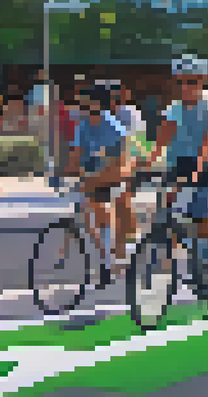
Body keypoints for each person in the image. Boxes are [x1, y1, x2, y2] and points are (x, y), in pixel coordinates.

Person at [145, 55, 208, 288]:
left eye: (192, 81)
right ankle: (169, 264)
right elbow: (161, 141)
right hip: (186, 165)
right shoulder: (174, 109)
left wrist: (198, 168)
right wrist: (146, 165)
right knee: (167, 212)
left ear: (202, 81)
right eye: (180, 82)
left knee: (201, 217)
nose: (185, 87)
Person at [64, 83, 136, 286]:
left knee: (103, 208)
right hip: (91, 175)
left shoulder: (113, 127)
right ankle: (108, 253)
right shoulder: (83, 125)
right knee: (87, 217)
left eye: (85, 102)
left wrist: (93, 178)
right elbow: (76, 154)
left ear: (97, 104)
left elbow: (119, 162)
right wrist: (65, 173)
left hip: (113, 174)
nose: (81, 106)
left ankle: (110, 258)